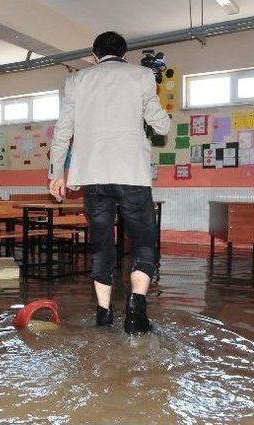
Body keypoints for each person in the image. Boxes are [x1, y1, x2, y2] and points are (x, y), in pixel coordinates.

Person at [48, 31, 170, 334]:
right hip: (131, 174)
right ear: (125, 56)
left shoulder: (77, 80)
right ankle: (136, 311)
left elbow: (63, 130)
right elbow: (162, 125)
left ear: (94, 55)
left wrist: (56, 173)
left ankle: (104, 315)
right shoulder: (142, 75)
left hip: (92, 176)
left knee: (102, 246)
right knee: (143, 242)